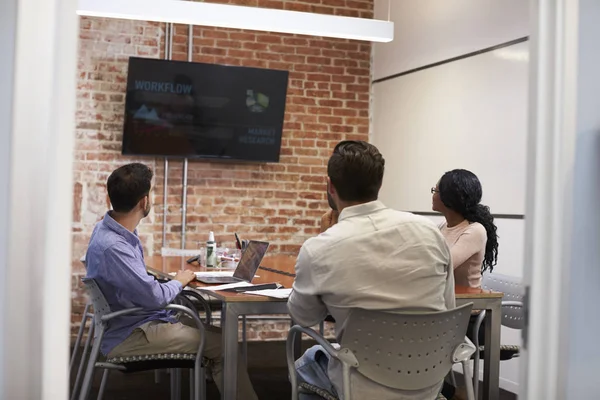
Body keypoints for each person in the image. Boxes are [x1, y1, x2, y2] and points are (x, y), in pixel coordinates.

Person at [288, 141, 455, 400]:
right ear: (379, 183)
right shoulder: (429, 232)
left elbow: (304, 317)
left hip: (360, 387)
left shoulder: (319, 248)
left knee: (306, 363)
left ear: (331, 186)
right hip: (428, 382)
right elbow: (448, 306)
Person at [85, 163, 258, 400]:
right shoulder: (115, 246)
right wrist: (179, 281)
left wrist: (169, 283)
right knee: (225, 345)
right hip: (130, 334)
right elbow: (154, 298)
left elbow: (140, 287)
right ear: (144, 202)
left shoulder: (108, 231)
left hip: (133, 322)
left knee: (216, 334)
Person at [431, 169, 499, 288]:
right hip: (445, 299)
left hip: (467, 303)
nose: (433, 195)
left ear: (449, 198)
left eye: (435, 190)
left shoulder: (475, 231)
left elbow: (443, 266)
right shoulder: (442, 226)